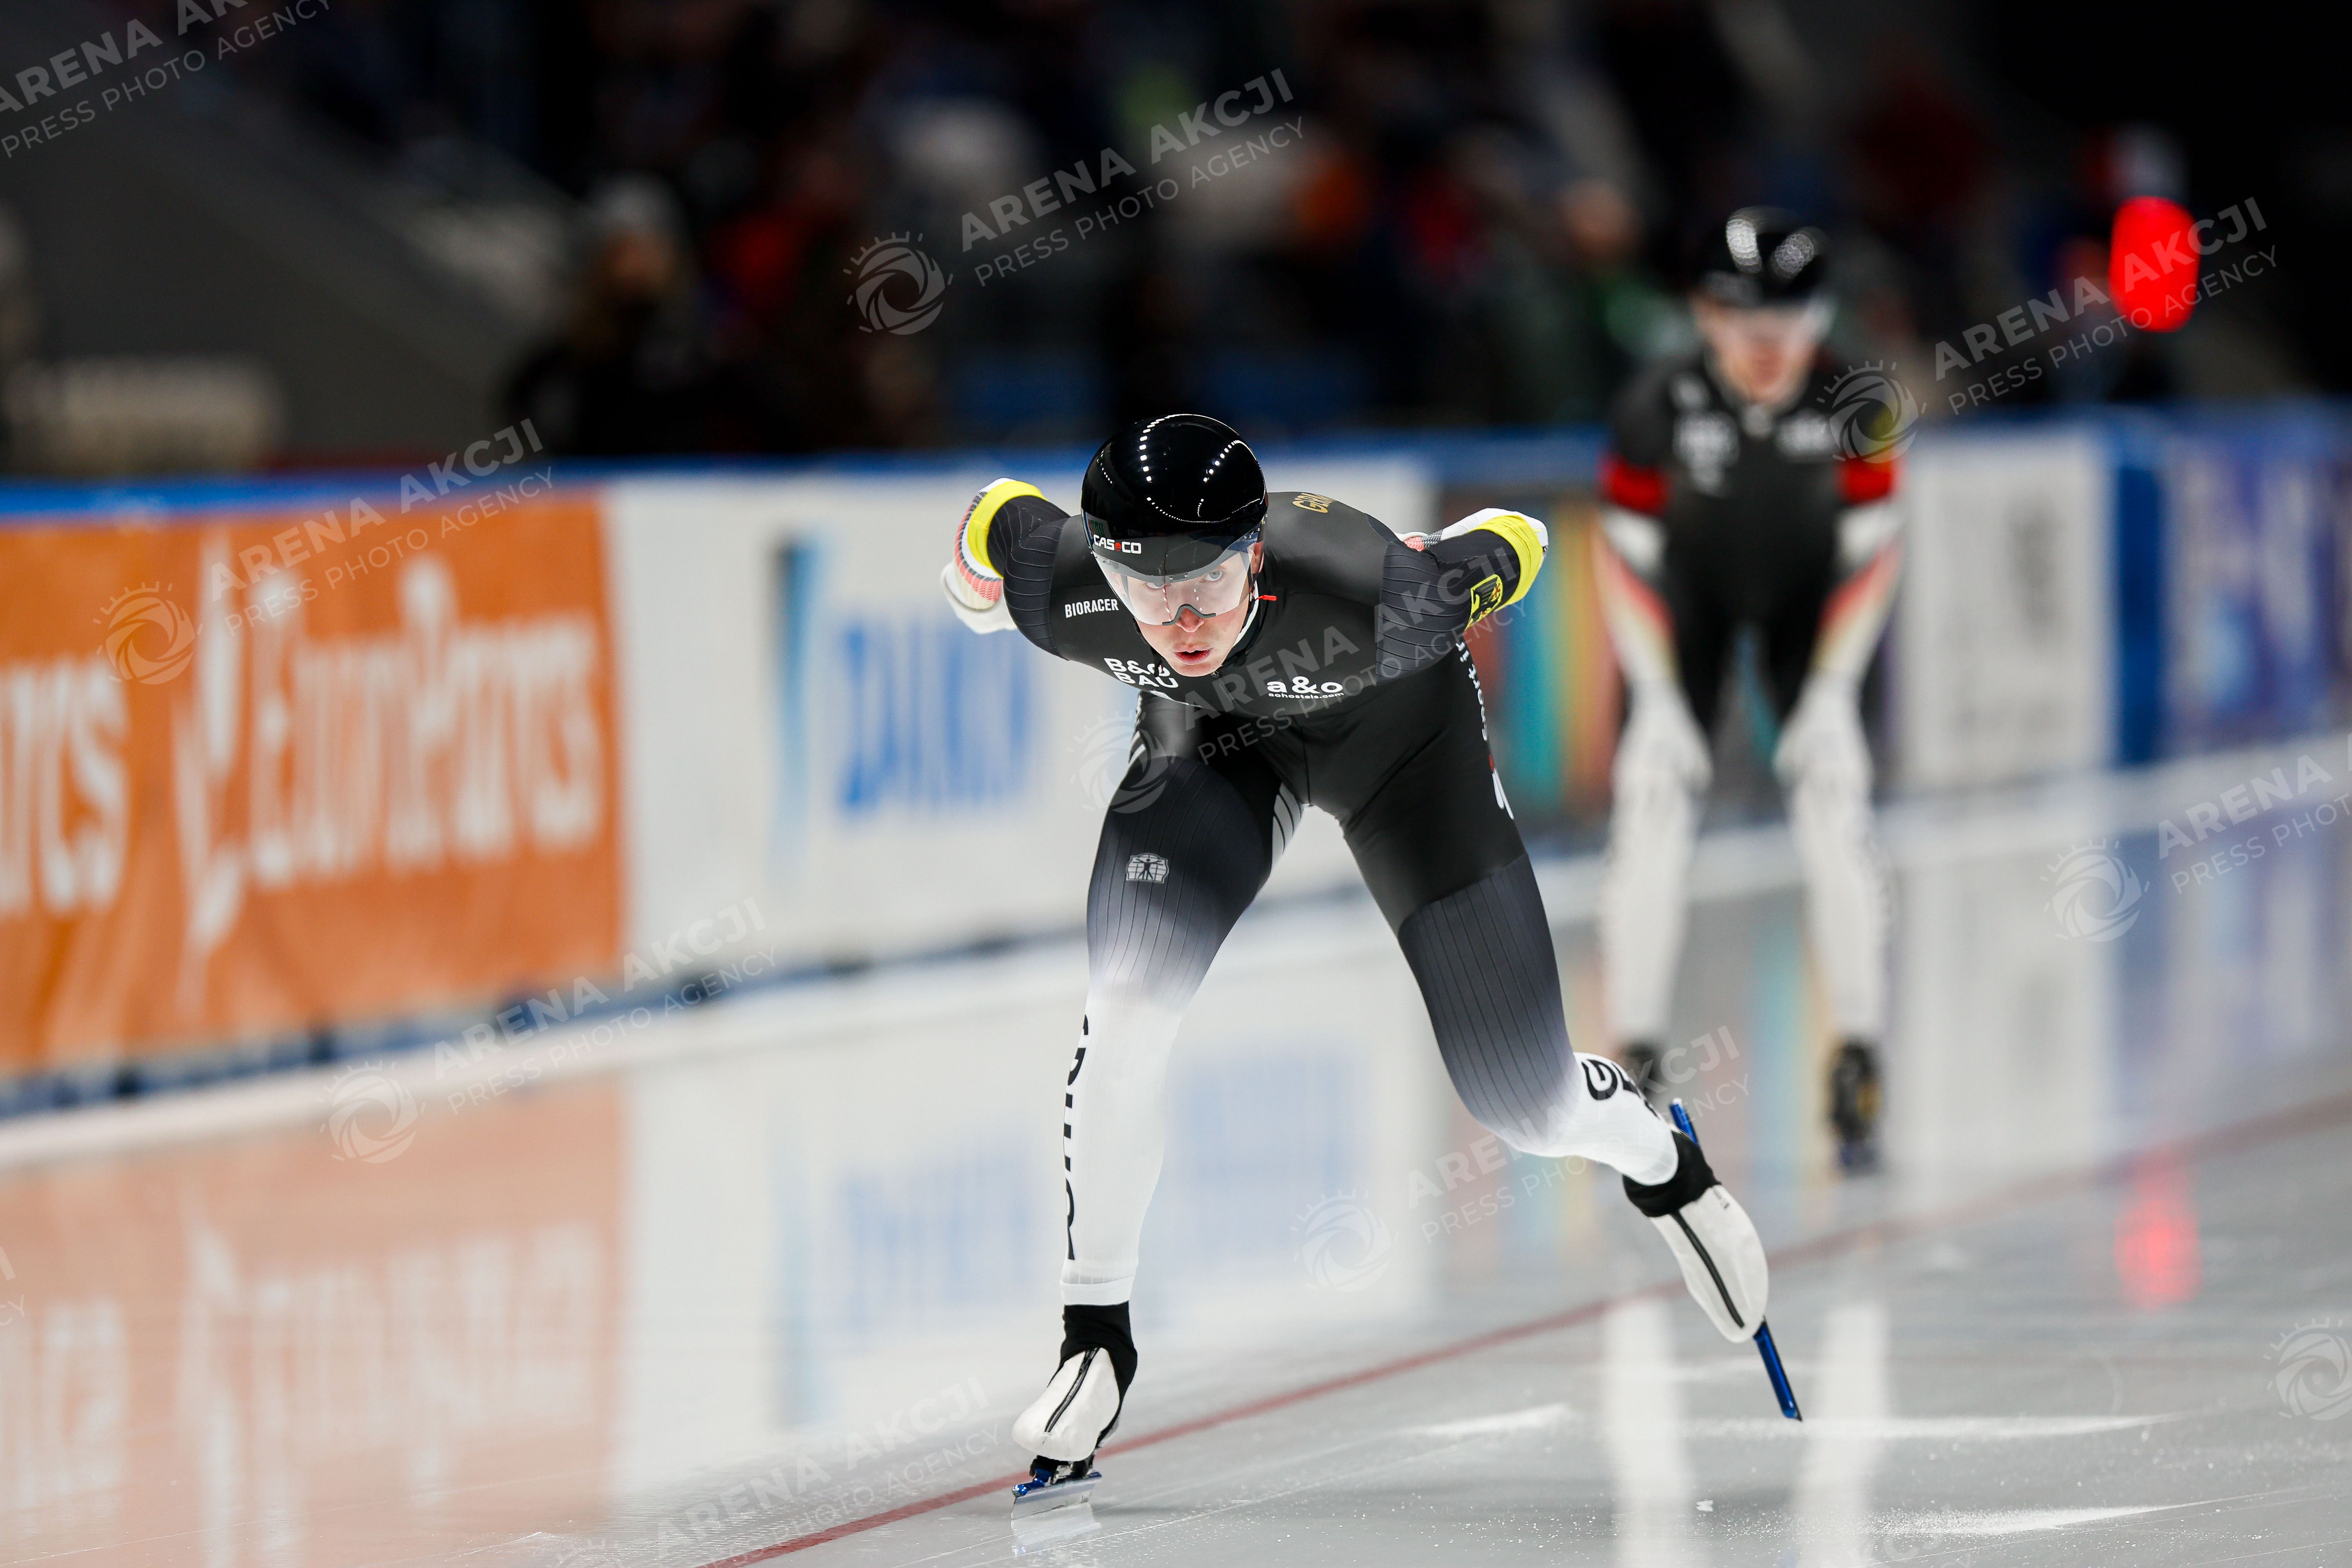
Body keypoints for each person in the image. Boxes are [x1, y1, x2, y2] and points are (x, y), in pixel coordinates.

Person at [939, 413, 1773, 1512]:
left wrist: (1460, 557)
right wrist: (970, 577)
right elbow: (997, 516)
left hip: (1405, 756)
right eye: (1148, 589)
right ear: (1106, 567)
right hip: (1218, 751)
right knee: (1128, 1005)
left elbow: (1521, 536)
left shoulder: (1380, 595)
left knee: (1523, 1103)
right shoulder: (1067, 592)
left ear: (1254, 554)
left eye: (1210, 582)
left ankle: (1659, 1157)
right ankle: (1095, 1337)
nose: (1182, 620)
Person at [1592, 209, 1904, 1169]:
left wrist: (1832, 688)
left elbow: (1875, 550)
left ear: (1822, 319)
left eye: (1790, 325)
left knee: (1836, 802)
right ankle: (1633, 1057)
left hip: (1816, 607)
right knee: (1650, 799)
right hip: (1686, 605)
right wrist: (1656, 693)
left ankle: (1858, 1057)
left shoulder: (1860, 399)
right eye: (1745, 326)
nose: (1769, 350)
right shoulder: (1654, 404)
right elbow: (1624, 557)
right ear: (1704, 316)